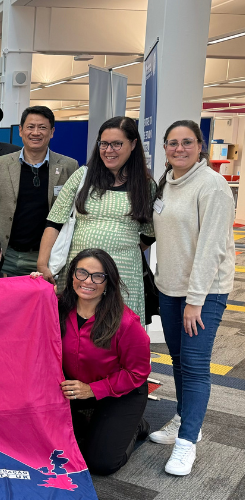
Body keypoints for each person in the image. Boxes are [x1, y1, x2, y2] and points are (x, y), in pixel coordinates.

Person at [147, 120, 235, 476]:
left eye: (187, 142)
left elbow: (212, 248)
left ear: (200, 146)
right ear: (165, 148)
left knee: (196, 365)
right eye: (172, 143)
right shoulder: (165, 183)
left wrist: (196, 299)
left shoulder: (212, 186)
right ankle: (187, 421)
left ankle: (187, 444)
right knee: (179, 360)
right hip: (169, 287)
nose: (179, 149)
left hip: (205, 291)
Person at [37, 116, 156, 325]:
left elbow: (149, 232)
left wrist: (121, 245)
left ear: (133, 144)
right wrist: (42, 263)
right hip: (80, 273)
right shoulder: (83, 176)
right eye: (104, 144)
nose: (109, 150)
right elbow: (54, 221)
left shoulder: (145, 185)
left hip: (124, 273)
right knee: (75, 330)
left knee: (119, 331)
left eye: (117, 144)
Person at [55, 248, 151, 476]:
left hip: (120, 392)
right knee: (53, 447)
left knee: (101, 463)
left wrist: (92, 390)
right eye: (81, 273)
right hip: (74, 390)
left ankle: (137, 425)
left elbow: (138, 373)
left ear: (108, 282)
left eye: (97, 276)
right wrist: (33, 283)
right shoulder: (57, 308)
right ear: (72, 276)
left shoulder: (126, 323)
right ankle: (90, 421)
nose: (88, 281)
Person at [0, 105, 79, 276]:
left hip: (47, 259)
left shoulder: (68, 167)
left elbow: (74, 215)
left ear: (52, 132)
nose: (36, 132)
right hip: (7, 256)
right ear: (20, 131)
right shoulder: (0, 165)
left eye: (42, 127)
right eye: (30, 127)